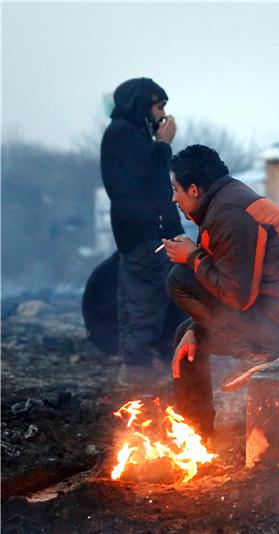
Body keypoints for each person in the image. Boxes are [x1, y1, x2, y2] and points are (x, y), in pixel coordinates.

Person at [163, 145, 279, 435]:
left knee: (179, 278)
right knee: (186, 339)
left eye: (176, 189)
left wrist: (192, 257)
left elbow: (237, 296)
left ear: (194, 190)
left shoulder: (230, 213)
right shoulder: (227, 202)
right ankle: (197, 436)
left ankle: (262, 351)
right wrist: (197, 327)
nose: (173, 198)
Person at [100, 77, 185, 385]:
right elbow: (150, 175)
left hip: (143, 229)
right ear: (142, 105)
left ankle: (149, 364)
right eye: (158, 106)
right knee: (145, 299)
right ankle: (137, 368)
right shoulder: (124, 134)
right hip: (142, 231)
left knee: (150, 296)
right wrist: (163, 145)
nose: (162, 114)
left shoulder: (130, 134)